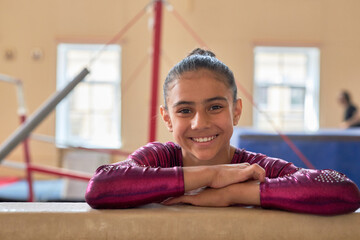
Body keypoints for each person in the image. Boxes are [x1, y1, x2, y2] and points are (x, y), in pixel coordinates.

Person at [85, 49, 360, 215]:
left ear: (236, 111)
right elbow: (101, 187)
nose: (199, 123)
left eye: (214, 107)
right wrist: (211, 175)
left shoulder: (254, 168)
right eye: (184, 111)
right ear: (167, 118)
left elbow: (342, 191)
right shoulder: (159, 157)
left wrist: (232, 194)